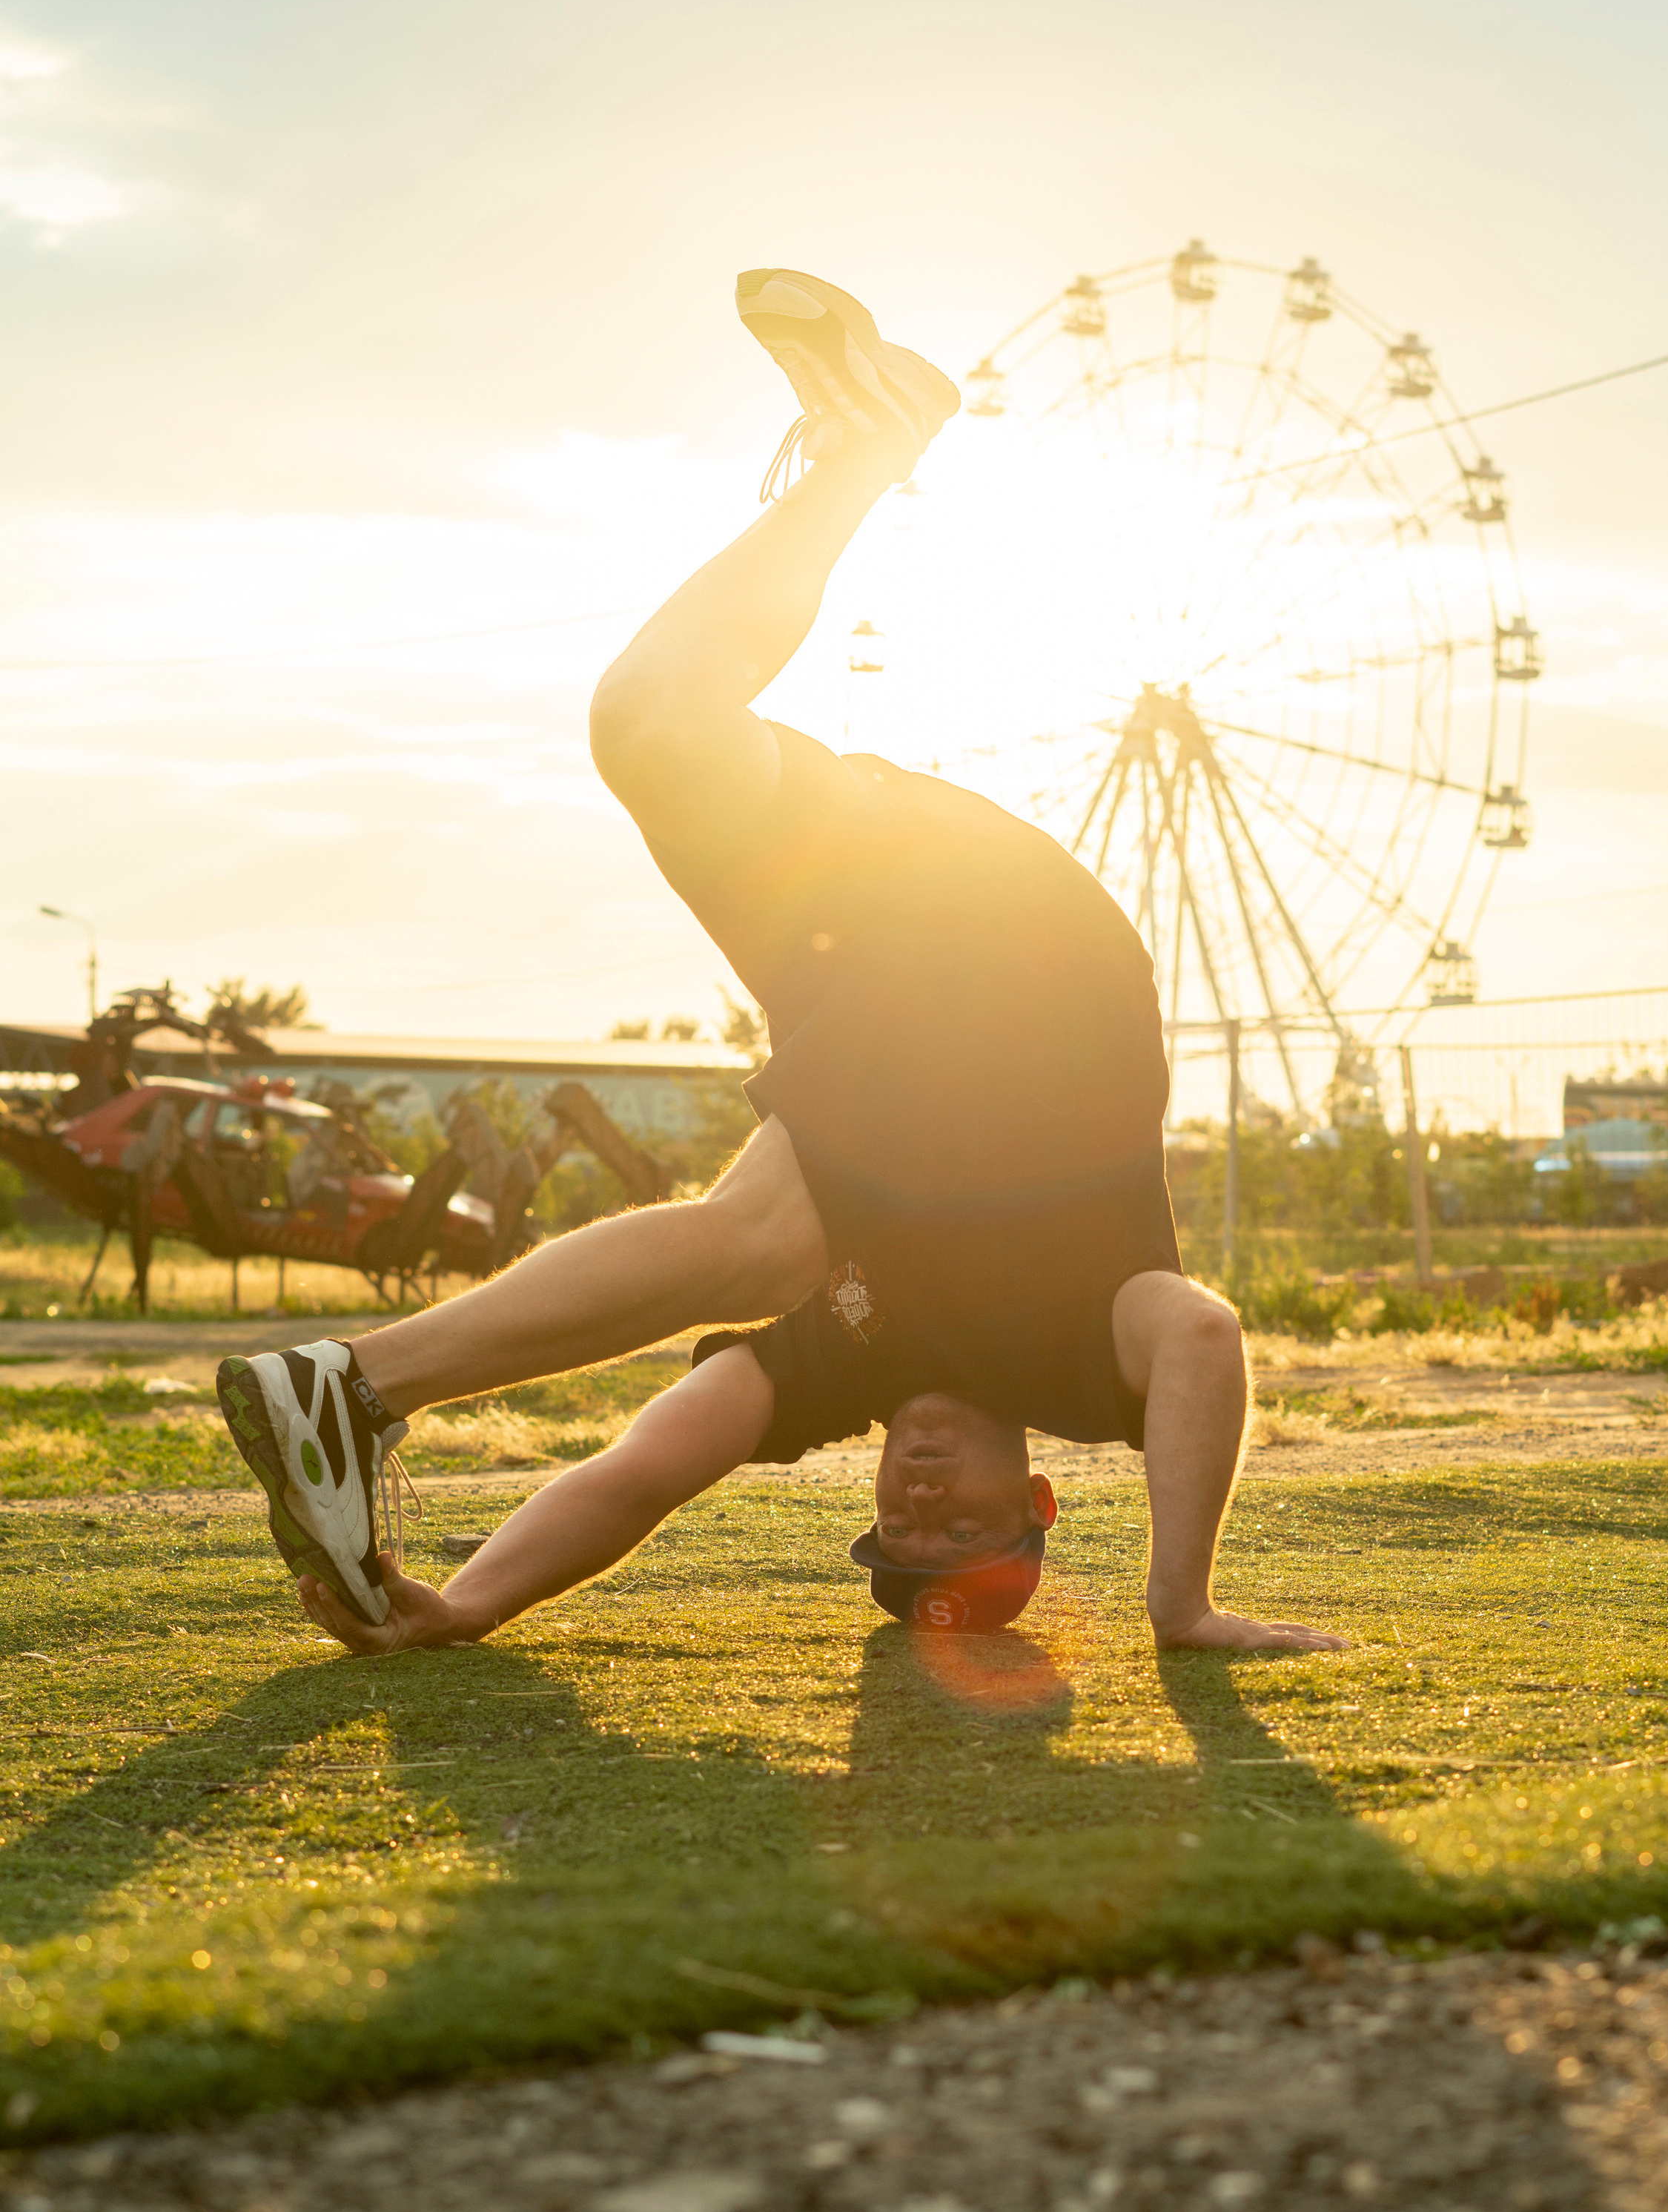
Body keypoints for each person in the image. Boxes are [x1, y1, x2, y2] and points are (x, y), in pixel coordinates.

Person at [217, 270, 1345, 1664]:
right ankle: (358, 1388)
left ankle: (872, 441)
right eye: (965, 1532)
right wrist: (1182, 1608)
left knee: (649, 720)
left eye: (898, 1533)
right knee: (768, 1240)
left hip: (864, 922)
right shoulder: (1088, 1358)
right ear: (1039, 1500)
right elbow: (1208, 1344)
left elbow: (638, 1472)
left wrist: (465, 1608)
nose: (922, 1506)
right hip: (1033, 961)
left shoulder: (835, 1365)